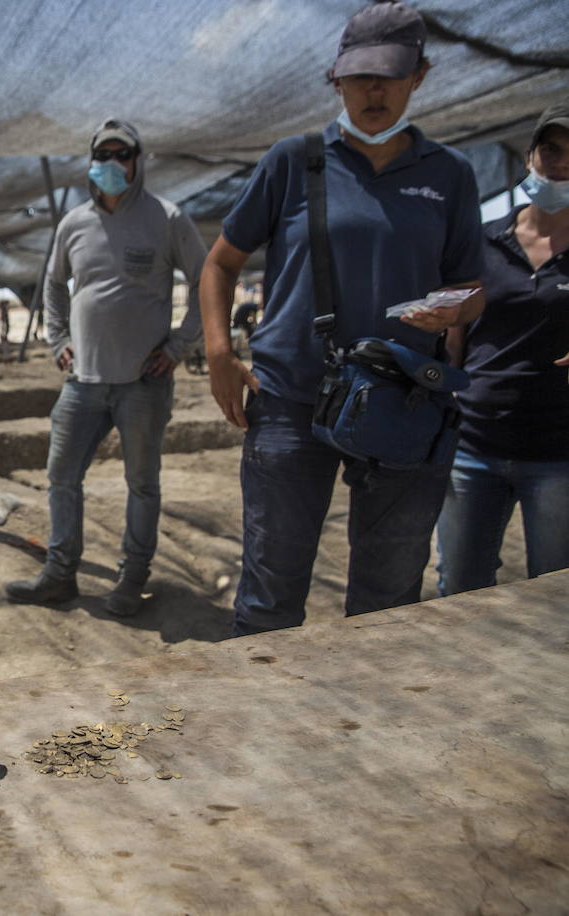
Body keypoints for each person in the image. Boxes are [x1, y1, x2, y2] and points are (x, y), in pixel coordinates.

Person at [199, 1, 485, 636]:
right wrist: (219, 353)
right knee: (271, 594)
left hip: (404, 404)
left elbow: (470, 285)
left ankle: (365, 725)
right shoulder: (294, 161)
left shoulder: (449, 176)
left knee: (387, 600)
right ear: (337, 79)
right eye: (359, 77)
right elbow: (219, 265)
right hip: (294, 401)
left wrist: (459, 308)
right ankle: (265, 724)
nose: (374, 91)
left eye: (389, 75)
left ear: (421, 75)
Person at [5, 118, 206, 616]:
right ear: (92, 162)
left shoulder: (167, 217)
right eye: (105, 155)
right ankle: (59, 574)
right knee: (61, 477)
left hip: (143, 382)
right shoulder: (73, 224)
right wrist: (57, 340)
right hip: (83, 383)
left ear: (138, 161)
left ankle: (131, 578)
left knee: (141, 482)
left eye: (123, 155)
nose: (113, 164)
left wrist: (180, 345)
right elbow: (54, 285)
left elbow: (207, 281)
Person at [436, 102, 569, 594]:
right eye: (551, 150)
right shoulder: (484, 242)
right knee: (460, 589)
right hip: (473, 448)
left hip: (559, 455)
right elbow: (457, 337)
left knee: (554, 593)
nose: (559, 163)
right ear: (530, 156)